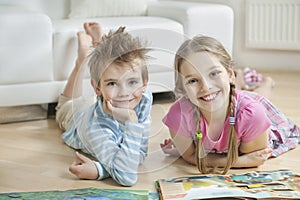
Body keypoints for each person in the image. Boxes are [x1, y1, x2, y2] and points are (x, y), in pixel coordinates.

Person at [160, 35, 300, 175]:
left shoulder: (252, 115)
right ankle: (241, 81)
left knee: (258, 97)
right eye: (192, 81)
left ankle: (267, 82)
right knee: (226, 92)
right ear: (183, 88)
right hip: (232, 101)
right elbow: (190, 156)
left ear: (230, 74)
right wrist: (239, 162)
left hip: (251, 113)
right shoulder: (178, 115)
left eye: (213, 73)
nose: (205, 87)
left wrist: (212, 158)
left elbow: (253, 157)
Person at [55, 22, 153, 186]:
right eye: (112, 83)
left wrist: (101, 169)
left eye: (132, 82)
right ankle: (82, 59)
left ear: (145, 83)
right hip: (77, 119)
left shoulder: (143, 99)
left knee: (108, 67)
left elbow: (140, 153)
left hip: (104, 101)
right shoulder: (97, 128)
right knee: (67, 105)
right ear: (96, 87)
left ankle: (99, 46)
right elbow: (127, 177)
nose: (124, 92)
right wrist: (132, 121)